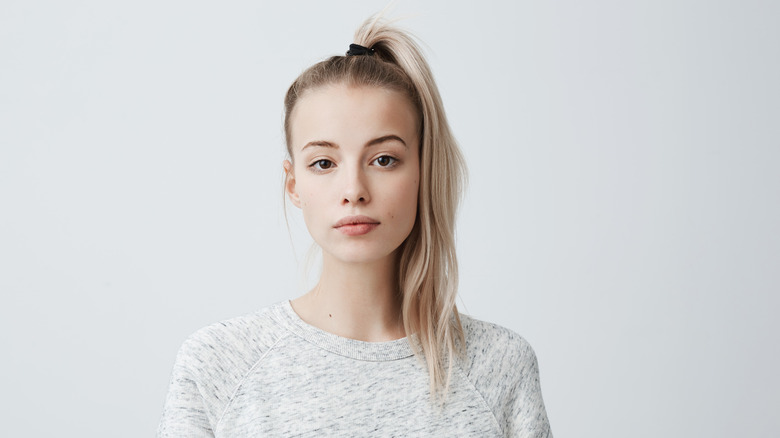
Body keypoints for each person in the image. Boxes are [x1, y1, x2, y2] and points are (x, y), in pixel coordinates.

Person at [157, 15, 552, 438]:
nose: (354, 191)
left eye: (384, 159)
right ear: (294, 184)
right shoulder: (218, 365)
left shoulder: (500, 368)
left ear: (424, 170)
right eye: (323, 163)